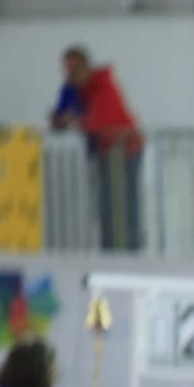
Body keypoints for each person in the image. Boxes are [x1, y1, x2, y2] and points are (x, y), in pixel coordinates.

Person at [50, 46, 143, 251]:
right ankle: (110, 248)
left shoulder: (103, 85)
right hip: (103, 152)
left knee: (124, 203)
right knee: (107, 204)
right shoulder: (72, 89)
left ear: (85, 67)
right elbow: (59, 118)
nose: (69, 74)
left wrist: (73, 120)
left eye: (73, 68)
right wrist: (60, 119)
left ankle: (130, 250)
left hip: (125, 151)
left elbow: (100, 121)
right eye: (66, 69)